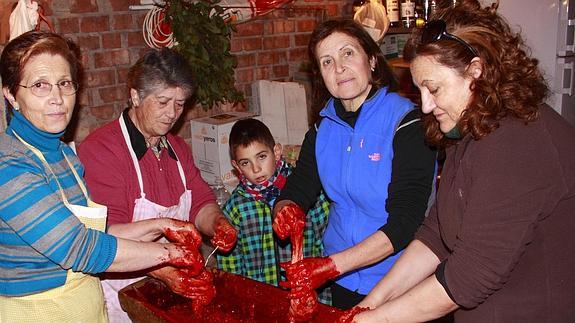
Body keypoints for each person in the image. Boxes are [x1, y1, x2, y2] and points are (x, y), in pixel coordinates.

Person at [345, 1, 575, 322]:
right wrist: (371, 303)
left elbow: (468, 278)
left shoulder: (518, 142)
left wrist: (372, 321)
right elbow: (436, 233)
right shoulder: (468, 127)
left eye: (433, 88)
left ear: (476, 72)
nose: (425, 106)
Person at [0, 31, 207, 322]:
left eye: (64, 84)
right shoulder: (9, 165)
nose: (58, 99)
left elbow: (95, 234)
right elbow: (81, 248)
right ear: (11, 94)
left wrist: (164, 224)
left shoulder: (64, 156)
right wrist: (170, 253)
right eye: (40, 86)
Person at [272, 18, 438, 310]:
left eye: (347, 53)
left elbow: (406, 222)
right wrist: (286, 207)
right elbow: (300, 186)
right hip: (344, 280)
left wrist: (331, 266)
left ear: (372, 60)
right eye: (327, 61)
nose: (339, 68)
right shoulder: (322, 129)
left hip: (400, 278)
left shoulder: (407, 122)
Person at [77, 48, 237, 322]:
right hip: (123, 294)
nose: (172, 113)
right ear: (135, 95)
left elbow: (199, 202)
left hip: (170, 289)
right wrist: (165, 269)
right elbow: (107, 237)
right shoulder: (102, 150)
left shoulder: (176, 148)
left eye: (180, 103)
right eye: (163, 102)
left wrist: (218, 224)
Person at [216, 118, 331, 303]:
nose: (256, 169)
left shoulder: (306, 192)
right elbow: (230, 263)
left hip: (309, 293)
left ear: (276, 152)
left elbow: (325, 241)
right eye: (245, 163)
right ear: (236, 166)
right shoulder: (236, 208)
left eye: (262, 156)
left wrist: (322, 285)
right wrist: (237, 297)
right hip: (260, 299)